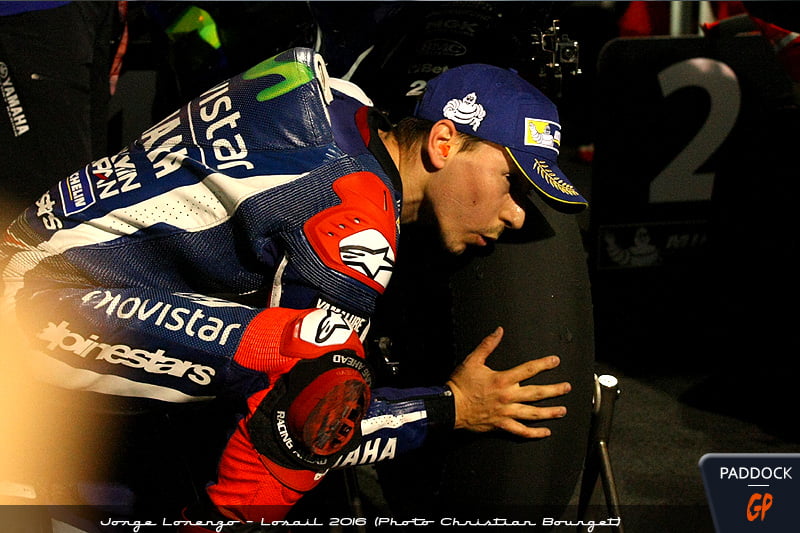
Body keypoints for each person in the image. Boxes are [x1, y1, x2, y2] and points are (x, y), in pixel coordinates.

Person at [0, 47, 586, 529]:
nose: (515, 215)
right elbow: (314, 424)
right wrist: (451, 407)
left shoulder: (340, 101)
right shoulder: (356, 224)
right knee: (319, 376)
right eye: (510, 182)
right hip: (36, 305)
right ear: (443, 143)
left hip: (39, 252)